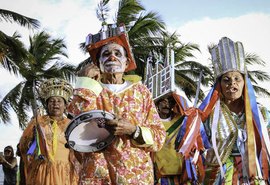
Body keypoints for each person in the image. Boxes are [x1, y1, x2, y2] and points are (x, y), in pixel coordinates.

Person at [67, 23, 166, 184]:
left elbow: (159, 138)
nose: (111, 57)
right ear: (97, 63)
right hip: (97, 175)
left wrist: (133, 130)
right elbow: (75, 127)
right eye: (105, 54)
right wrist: (84, 82)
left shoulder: (141, 92)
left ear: (127, 63)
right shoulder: (90, 89)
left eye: (117, 53)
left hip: (134, 175)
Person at [175, 37, 270, 184]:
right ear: (219, 85)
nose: (232, 84)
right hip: (219, 177)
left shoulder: (262, 116)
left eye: (237, 79)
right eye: (226, 79)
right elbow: (194, 149)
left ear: (245, 83)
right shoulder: (208, 116)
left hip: (253, 176)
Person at [19, 78, 79, 185]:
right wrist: (32, 142)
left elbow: (80, 148)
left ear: (65, 105)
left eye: (59, 101)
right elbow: (24, 147)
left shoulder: (72, 124)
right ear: (47, 105)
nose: (55, 104)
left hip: (65, 172)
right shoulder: (38, 122)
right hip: (42, 171)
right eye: (52, 101)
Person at [152, 92, 190, 184]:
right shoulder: (151, 122)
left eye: (170, 101)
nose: (167, 104)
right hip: (161, 176)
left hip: (182, 174)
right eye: (163, 101)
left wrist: (174, 93)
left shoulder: (181, 120)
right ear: (157, 103)